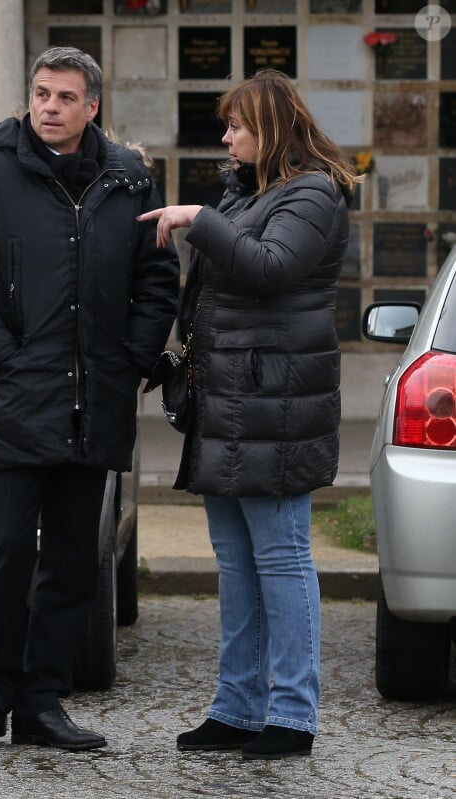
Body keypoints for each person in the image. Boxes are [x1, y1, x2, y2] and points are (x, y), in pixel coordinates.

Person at [0, 46, 179, 750]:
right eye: (41, 93)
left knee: (73, 561)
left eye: (66, 97)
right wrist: (4, 356)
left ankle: (42, 702)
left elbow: (158, 279)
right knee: (7, 551)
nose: (49, 107)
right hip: (14, 401)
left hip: (93, 403)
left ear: (91, 106)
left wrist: (129, 359)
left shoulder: (128, 180)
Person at [138, 69, 360, 760]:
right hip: (230, 402)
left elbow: (268, 267)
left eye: (237, 125)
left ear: (273, 129)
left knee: (282, 558)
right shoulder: (249, 193)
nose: (226, 137)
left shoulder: (314, 194)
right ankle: (237, 704)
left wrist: (198, 222)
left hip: (276, 405)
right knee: (236, 563)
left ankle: (293, 713)